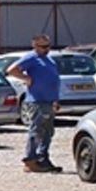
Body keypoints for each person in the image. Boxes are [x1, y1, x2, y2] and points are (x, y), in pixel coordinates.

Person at [6, 35, 62, 172]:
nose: (47, 49)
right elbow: (11, 69)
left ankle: (42, 158)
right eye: (43, 47)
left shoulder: (48, 59)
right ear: (35, 46)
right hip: (37, 101)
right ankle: (30, 160)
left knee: (48, 132)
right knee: (36, 131)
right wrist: (26, 78)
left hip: (48, 101)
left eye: (48, 46)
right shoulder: (31, 58)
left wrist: (55, 99)